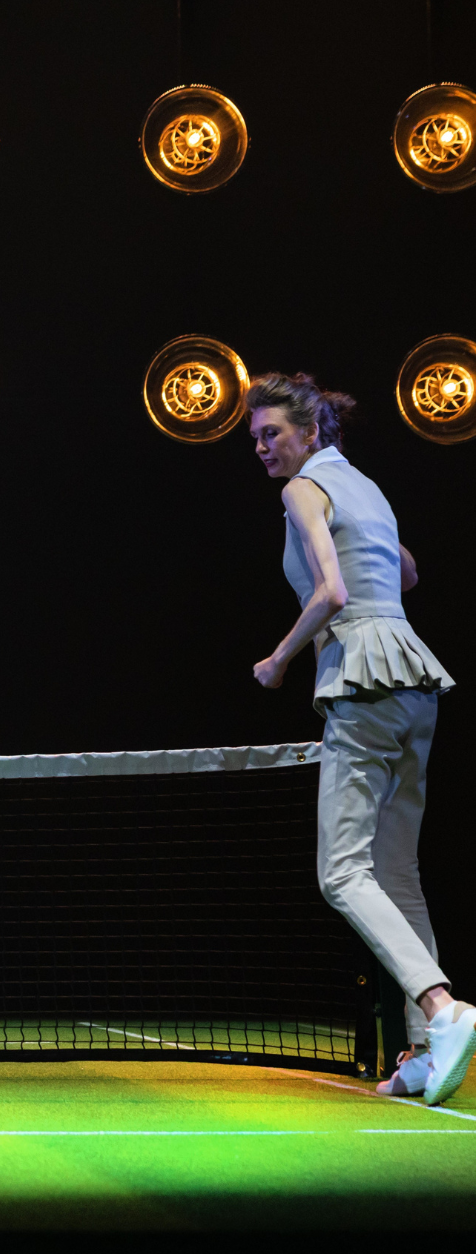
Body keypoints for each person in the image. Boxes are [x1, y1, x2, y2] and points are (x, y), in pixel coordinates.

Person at [247, 372, 472, 1106]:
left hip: (364, 680)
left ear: (312, 433)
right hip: (414, 679)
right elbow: (404, 571)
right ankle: (417, 1054)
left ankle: (442, 1008)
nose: (262, 447)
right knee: (396, 874)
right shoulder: (366, 486)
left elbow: (333, 593)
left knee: (342, 873)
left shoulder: (302, 490)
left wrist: (279, 660)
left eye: (272, 433)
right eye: (256, 438)